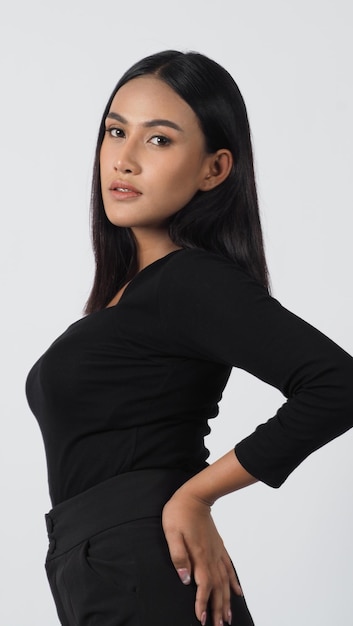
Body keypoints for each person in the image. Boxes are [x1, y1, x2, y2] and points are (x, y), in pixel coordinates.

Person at [25, 50, 353, 626]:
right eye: (116, 131)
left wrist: (197, 493)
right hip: (103, 564)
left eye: (158, 141)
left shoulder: (189, 280)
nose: (123, 160)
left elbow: (339, 384)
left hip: (146, 566)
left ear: (214, 169)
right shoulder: (132, 295)